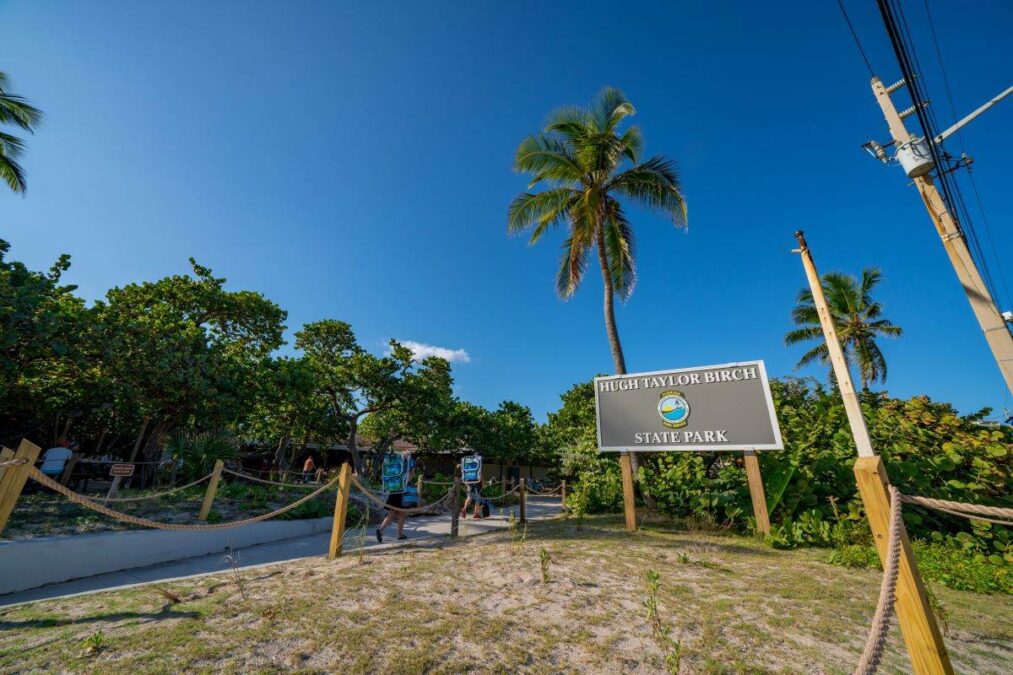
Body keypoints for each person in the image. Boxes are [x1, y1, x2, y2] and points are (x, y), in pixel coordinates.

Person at [376, 451, 413, 543]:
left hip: (393, 488)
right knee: (402, 513)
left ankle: (380, 530)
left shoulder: (393, 460)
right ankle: (399, 535)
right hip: (403, 489)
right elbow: (412, 475)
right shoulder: (409, 460)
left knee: (392, 513)